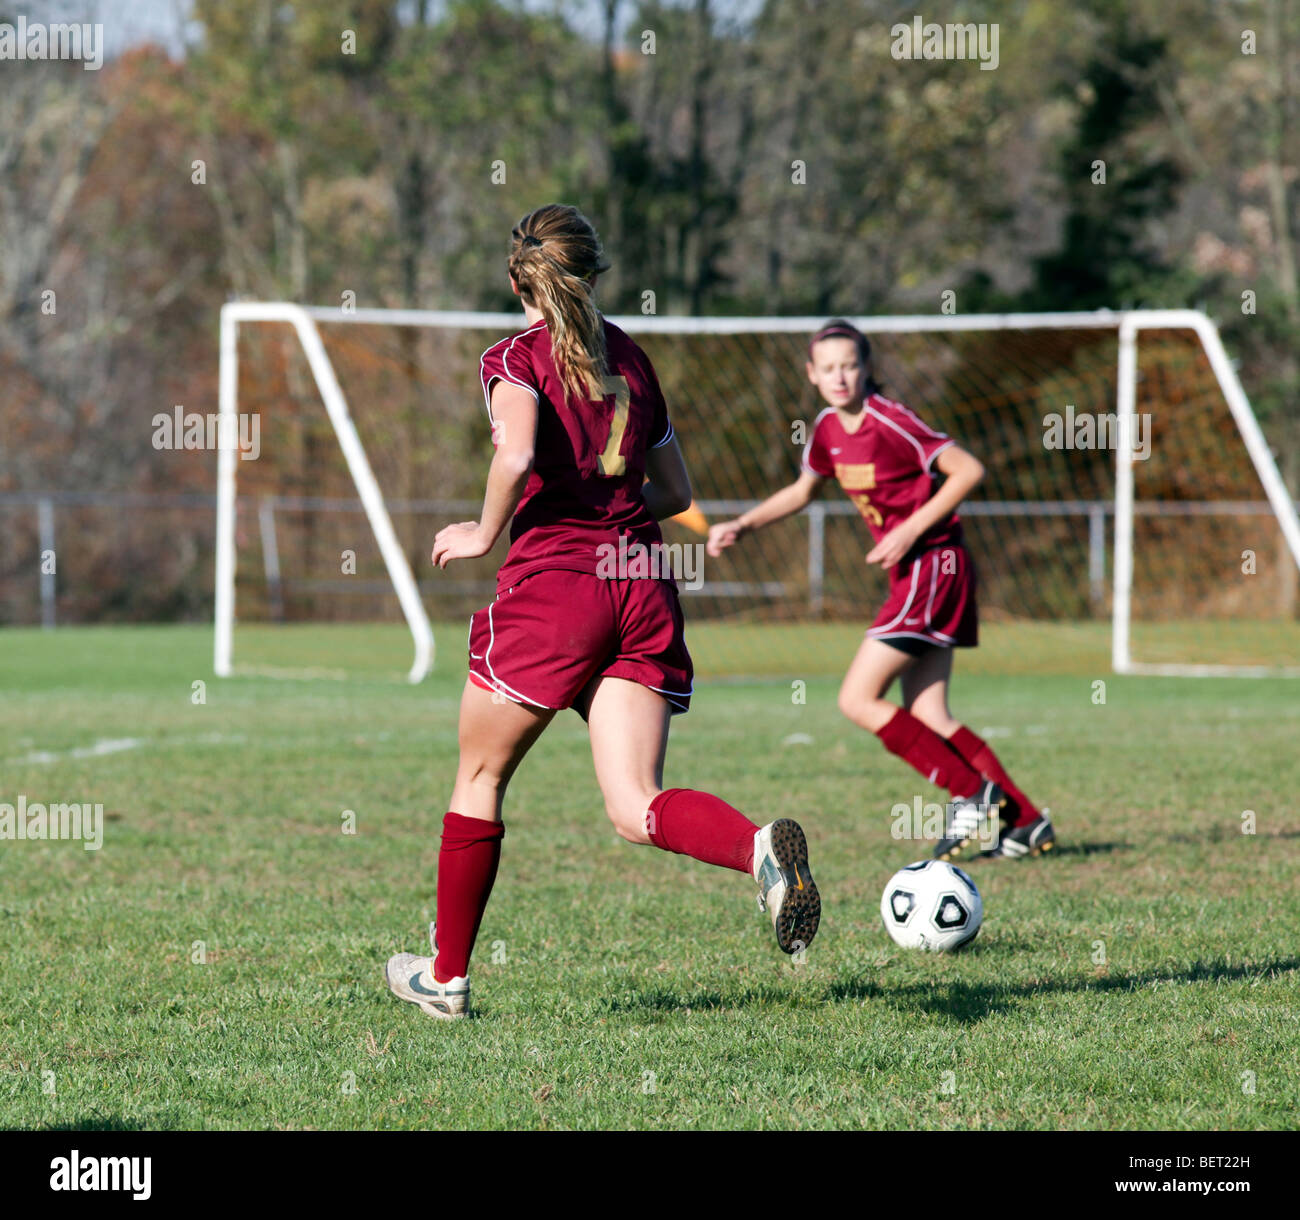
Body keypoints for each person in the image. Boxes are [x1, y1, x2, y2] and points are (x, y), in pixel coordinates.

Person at [385, 204, 819, 1020]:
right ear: (597, 273)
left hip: (560, 588)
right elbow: (677, 493)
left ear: (518, 283)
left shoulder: (517, 357)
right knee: (634, 804)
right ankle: (756, 847)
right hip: (642, 582)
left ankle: (445, 980)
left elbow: (515, 453)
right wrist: (612, 500)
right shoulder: (635, 358)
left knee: (479, 777)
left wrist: (484, 532)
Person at [707, 319, 1053, 863]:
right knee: (930, 715)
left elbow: (967, 470)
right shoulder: (825, 430)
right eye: (828, 368)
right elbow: (803, 491)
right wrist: (744, 525)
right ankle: (1025, 821)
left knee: (856, 698)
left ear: (868, 368)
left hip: (933, 563)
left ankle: (972, 794)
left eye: (850, 365)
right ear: (812, 374)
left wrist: (911, 528)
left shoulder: (891, 420)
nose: (840, 377)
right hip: (919, 571)